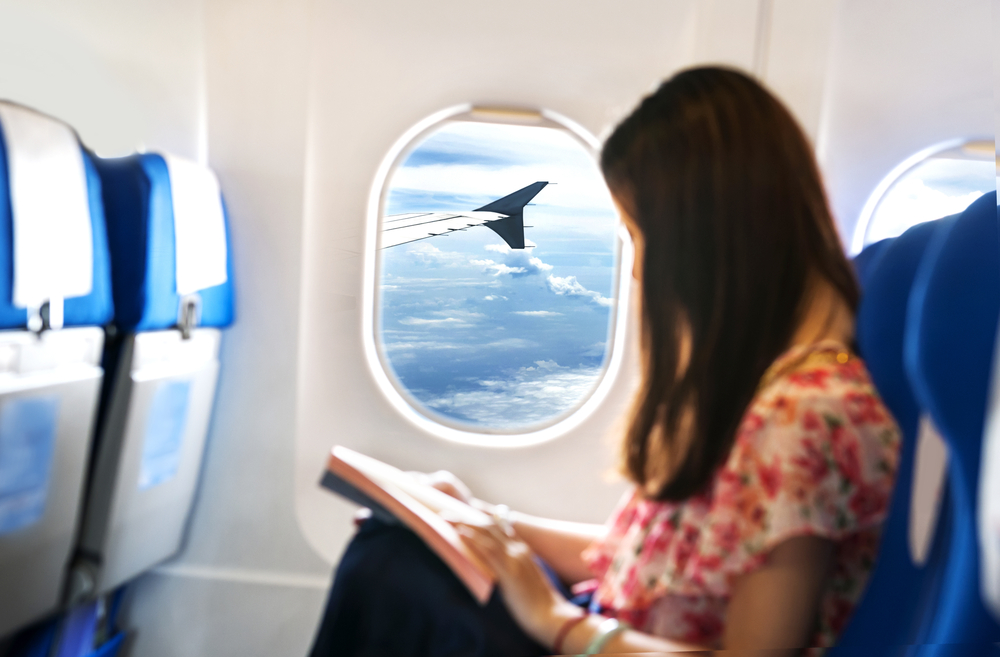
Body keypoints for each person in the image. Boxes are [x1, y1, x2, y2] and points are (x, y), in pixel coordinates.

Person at [309, 66, 900, 656]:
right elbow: (661, 559)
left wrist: (557, 621)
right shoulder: (771, 387)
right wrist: (483, 520)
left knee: (385, 573)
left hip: (601, 637)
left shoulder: (804, 417)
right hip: (614, 622)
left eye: (640, 238)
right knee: (399, 549)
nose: (640, 271)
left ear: (703, 240)